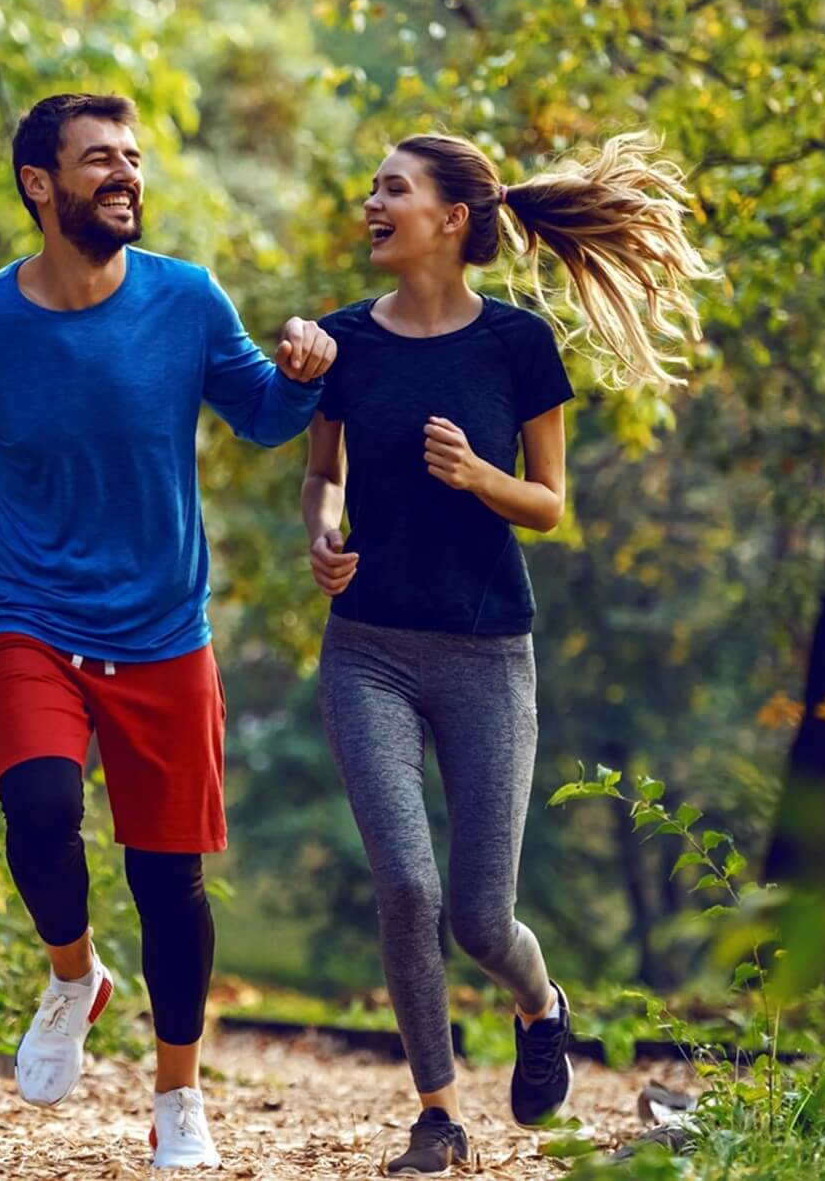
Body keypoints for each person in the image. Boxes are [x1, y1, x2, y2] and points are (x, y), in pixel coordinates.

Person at [0, 92, 337, 1170]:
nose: (124, 175)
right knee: (38, 805)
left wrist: (307, 371)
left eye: (132, 158)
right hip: (29, 612)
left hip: (164, 630)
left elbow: (261, 413)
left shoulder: (188, 298)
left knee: (170, 882)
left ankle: (178, 1097)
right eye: (99, 160)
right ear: (40, 184)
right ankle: (74, 972)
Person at [300, 131, 716, 1174]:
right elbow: (323, 474)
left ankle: (542, 1005)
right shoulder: (347, 342)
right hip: (368, 649)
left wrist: (481, 475)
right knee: (407, 885)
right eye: (372, 185)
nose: (372, 201)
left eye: (393, 187)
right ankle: (437, 1111)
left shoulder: (519, 344)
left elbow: (550, 503)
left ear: (452, 219)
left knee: (483, 915)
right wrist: (323, 530)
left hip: (487, 650)